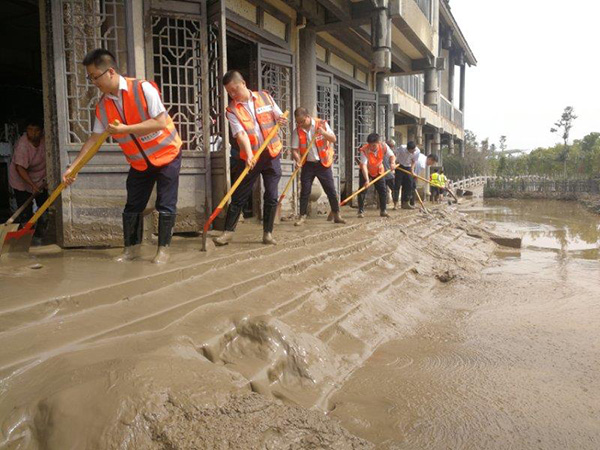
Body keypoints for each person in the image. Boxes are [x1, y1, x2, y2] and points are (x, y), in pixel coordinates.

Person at [62, 48, 182, 264]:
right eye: (89, 78)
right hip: (139, 163)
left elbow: (160, 122)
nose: (93, 82)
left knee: (166, 203)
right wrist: (74, 167)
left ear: (110, 71)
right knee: (133, 205)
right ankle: (132, 249)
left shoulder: (143, 88)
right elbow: (93, 141)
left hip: (167, 153)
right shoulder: (102, 106)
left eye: (94, 76)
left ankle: (163, 250)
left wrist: (126, 129)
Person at [213, 70, 288, 246]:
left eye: (234, 90)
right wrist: (249, 154)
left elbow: (278, 116)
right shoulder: (232, 110)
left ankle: (268, 233)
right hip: (250, 157)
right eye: (229, 92)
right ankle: (228, 232)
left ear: (243, 84)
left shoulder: (265, 97)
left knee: (271, 195)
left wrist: (281, 120)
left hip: (271, 154)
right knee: (239, 194)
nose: (233, 94)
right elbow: (240, 134)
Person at [292, 107, 345, 226]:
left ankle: (336, 214)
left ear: (308, 117)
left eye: (302, 121)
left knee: (330, 190)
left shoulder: (321, 124)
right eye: (298, 122)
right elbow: (294, 150)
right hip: (308, 164)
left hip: (323, 163)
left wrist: (323, 133)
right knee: (305, 191)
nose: (300, 124)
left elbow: (333, 139)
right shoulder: (297, 131)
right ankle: (302, 216)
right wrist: (298, 160)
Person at [8, 118, 48, 245]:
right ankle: (26, 238)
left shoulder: (46, 140)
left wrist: (47, 180)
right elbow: (19, 168)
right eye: (30, 130)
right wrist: (32, 185)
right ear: (26, 131)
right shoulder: (23, 145)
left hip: (41, 177)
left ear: (41, 131)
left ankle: (43, 232)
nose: (33, 133)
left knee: (45, 206)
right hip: (21, 179)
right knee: (26, 211)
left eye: (36, 130)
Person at [357, 133, 396, 218]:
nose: (371, 147)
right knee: (362, 190)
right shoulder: (364, 150)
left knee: (383, 190)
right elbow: (363, 165)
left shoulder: (383, 146)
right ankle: (360, 211)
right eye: (370, 145)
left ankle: (383, 210)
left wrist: (392, 163)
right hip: (366, 170)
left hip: (378, 170)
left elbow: (392, 156)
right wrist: (367, 180)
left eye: (374, 145)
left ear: (378, 143)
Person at [392, 140, 420, 210]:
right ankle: (395, 204)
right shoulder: (402, 148)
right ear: (408, 149)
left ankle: (406, 203)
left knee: (409, 185)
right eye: (411, 151)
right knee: (397, 185)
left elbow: (413, 161)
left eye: (413, 150)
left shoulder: (417, 152)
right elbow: (395, 154)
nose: (412, 152)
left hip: (408, 167)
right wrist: (394, 164)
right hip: (399, 166)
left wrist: (412, 170)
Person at [383, 139, 397, 205]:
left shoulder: (392, 154)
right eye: (391, 146)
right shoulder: (382, 152)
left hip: (390, 174)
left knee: (394, 189)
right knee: (382, 190)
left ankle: (395, 204)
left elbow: (394, 163)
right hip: (381, 174)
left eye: (392, 146)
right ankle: (382, 204)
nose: (392, 147)